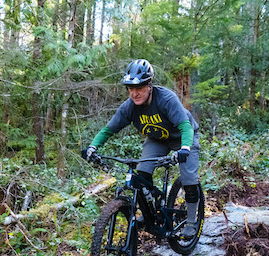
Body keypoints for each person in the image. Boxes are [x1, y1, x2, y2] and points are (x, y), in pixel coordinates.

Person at [84, 59, 201, 238]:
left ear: (149, 86)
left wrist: (185, 148)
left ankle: (193, 221)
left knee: (189, 178)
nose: (134, 93)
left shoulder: (166, 99)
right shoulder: (129, 107)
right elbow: (109, 129)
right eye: (130, 89)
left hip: (183, 137)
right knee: (142, 176)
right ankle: (150, 214)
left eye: (139, 88)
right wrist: (93, 147)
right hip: (157, 139)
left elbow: (185, 126)